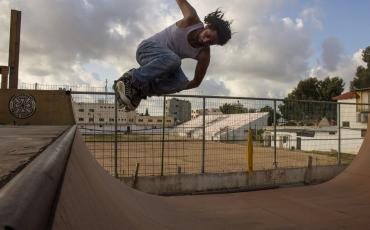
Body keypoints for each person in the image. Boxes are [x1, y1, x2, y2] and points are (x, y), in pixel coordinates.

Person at [113, 0, 232, 111]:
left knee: (181, 82)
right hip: (146, 50)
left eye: (211, 43)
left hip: (162, 66)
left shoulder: (204, 54)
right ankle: (130, 78)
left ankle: (140, 90)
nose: (206, 41)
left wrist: (174, 87)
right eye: (207, 35)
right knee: (174, 60)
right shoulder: (192, 18)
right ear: (207, 26)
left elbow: (196, 82)